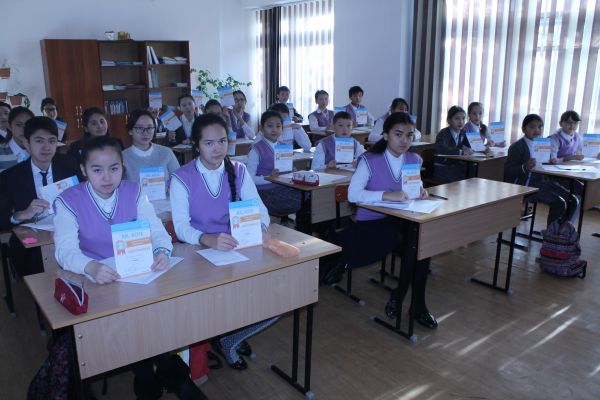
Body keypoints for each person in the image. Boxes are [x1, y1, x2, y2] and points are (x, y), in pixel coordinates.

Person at [54, 135, 205, 399]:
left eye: (114, 168)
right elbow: (64, 251)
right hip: (98, 280)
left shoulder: (134, 191)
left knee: (158, 313)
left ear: (122, 167)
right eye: (97, 170)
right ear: (83, 170)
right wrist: (90, 266)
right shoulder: (68, 200)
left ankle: (160, 374)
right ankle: (157, 374)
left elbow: (157, 232)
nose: (107, 177)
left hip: (139, 274)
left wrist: (161, 251)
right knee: (134, 322)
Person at [170, 114, 278, 370]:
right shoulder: (182, 177)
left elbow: (260, 210)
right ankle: (225, 337)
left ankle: (232, 334)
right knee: (216, 303)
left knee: (275, 294)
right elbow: (181, 227)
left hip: (237, 248)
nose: (217, 148)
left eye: (222, 141)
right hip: (198, 253)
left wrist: (261, 227)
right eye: (208, 143)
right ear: (196, 145)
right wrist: (206, 238)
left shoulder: (238, 170)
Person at [324, 112, 436, 328]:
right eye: (398, 134)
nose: (404, 140)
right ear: (385, 135)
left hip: (404, 221)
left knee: (422, 241)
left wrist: (421, 192)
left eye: (409, 135)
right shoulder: (370, 160)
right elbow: (353, 195)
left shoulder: (413, 159)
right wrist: (386, 195)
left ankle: (407, 299)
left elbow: (414, 187)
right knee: (416, 243)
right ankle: (413, 303)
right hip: (373, 224)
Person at [0, 116, 78, 276]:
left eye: (51, 141)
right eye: (39, 141)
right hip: (32, 246)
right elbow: (2, 218)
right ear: (26, 143)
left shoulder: (70, 165)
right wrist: (21, 215)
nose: (46, 147)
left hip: (71, 236)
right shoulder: (10, 177)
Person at [504, 114, 578, 225]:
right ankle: (551, 234)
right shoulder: (517, 146)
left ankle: (563, 231)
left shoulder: (544, 144)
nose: (537, 130)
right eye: (532, 127)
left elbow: (543, 167)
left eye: (540, 127)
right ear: (523, 129)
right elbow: (508, 172)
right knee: (559, 203)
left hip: (541, 182)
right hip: (524, 185)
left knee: (573, 200)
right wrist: (525, 166)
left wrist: (551, 162)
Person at [247, 110, 302, 217]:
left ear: (282, 128)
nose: (274, 130)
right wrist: (269, 178)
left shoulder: (284, 147)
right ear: (262, 128)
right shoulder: (256, 150)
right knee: (302, 200)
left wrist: (293, 173)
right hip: (265, 192)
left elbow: (285, 175)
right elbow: (249, 179)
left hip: (284, 188)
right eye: (270, 126)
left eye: (278, 126)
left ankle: (301, 225)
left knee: (309, 195)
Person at [122, 109, 180, 184]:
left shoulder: (166, 152)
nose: (145, 132)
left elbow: (179, 180)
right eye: (140, 128)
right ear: (130, 131)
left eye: (149, 128)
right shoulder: (122, 158)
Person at [434, 105, 473, 183]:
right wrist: (460, 152)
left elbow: (470, 145)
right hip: (444, 167)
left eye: (463, 118)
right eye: (457, 118)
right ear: (449, 120)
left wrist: (484, 147)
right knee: (469, 174)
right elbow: (441, 148)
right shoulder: (444, 133)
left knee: (475, 170)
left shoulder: (463, 132)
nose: (461, 122)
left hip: (456, 166)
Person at [0, 106, 34, 172]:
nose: (24, 129)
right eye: (19, 125)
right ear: (9, 126)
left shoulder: (40, 151)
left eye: (28, 124)